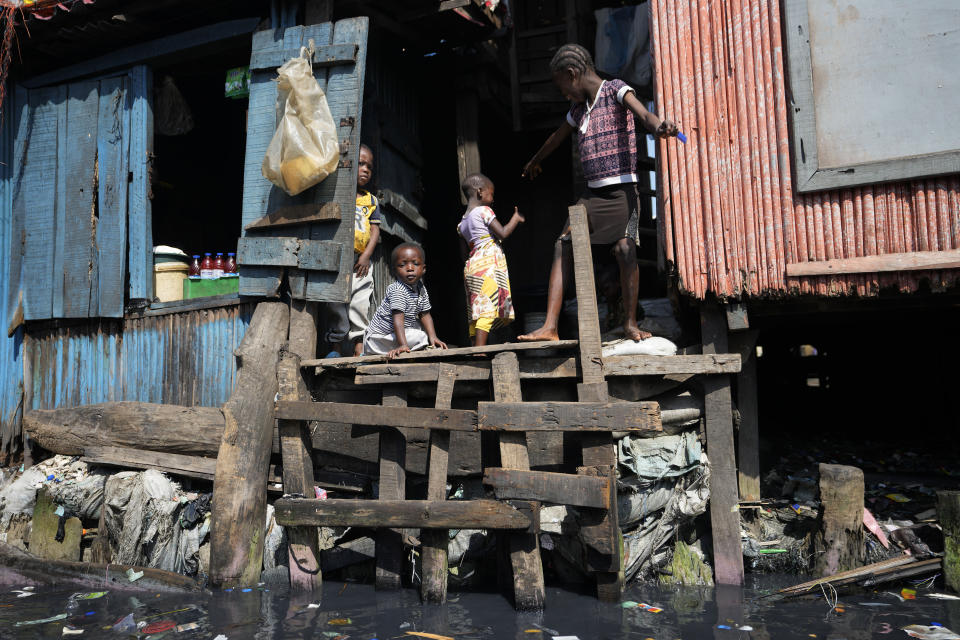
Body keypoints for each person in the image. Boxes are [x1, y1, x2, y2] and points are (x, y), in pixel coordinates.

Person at [518, 43, 679, 343]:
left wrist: (659, 127)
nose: (564, 94)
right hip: (592, 197)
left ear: (572, 74)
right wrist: (535, 161)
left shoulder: (616, 89)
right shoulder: (578, 109)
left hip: (622, 195)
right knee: (562, 244)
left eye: (563, 87)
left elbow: (645, 115)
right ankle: (550, 326)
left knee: (625, 251)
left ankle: (630, 323)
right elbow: (557, 137)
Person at [457, 173, 525, 346]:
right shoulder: (484, 211)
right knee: (487, 308)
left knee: (476, 309)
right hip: (488, 264)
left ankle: (474, 348)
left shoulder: (461, 224)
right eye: (491, 194)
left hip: (472, 266)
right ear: (480, 192)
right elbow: (502, 232)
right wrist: (515, 219)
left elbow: (464, 255)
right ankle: (480, 350)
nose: (493, 199)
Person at [326, 143, 380, 356]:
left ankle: (359, 346)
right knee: (334, 302)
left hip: (361, 261)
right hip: (337, 259)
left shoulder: (371, 201)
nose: (366, 169)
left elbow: (375, 230)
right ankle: (336, 347)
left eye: (369, 166)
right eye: (360, 164)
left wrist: (367, 255)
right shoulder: (338, 196)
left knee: (359, 301)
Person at [363, 242, 447, 359]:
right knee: (421, 336)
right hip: (378, 340)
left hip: (392, 336)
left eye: (415, 264)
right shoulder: (398, 290)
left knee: (419, 328)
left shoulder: (421, 288)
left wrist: (433, 337)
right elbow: (398, 320)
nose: (410, 268)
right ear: (394, 271)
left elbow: (425, 314)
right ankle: (405, 348)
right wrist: (403, 344)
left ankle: (412, 346)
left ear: (423, 269)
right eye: (402, 265)